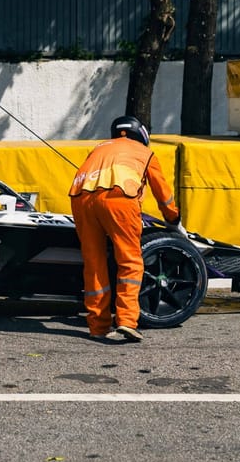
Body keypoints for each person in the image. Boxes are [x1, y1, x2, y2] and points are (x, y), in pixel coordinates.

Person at [68, 115, 181, 343]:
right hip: (120, 198)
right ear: (141, 135)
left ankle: (98, 326)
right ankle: (127, 322)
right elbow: (163, 194)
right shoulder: (144, 152)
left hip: (81, 199)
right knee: (129, 261)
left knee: (94, 263)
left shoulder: (99, 148)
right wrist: (173, 218)